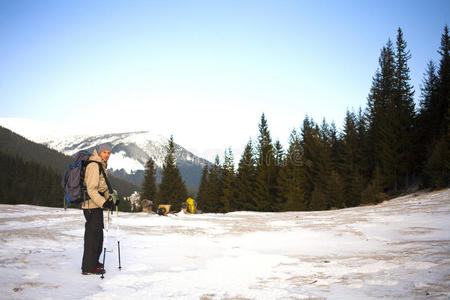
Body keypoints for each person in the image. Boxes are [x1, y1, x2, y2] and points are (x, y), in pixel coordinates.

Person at [81, 143, 116, 275]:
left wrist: (111, 198)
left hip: (96, 205)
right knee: (92, 237)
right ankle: (88, 267)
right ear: (99, 153)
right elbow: (91, 189)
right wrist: (104, 203)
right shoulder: (94, 165)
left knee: (98, 236)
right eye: (104, 152)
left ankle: (94, 261)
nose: (107, 155)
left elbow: (103, 186)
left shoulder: (100, 164)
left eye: (109, 153)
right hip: (91, 206)